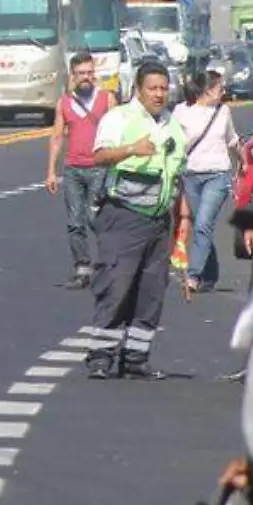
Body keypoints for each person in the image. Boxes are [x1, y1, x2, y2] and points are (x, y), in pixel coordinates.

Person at [83, 61, 196, 380]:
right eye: (153, 88)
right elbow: (100, 155)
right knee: (117, 285)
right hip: (123, 215)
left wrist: (183, 218)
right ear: (138, 89)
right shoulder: (119, 118)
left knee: (151, 291)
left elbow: (178, 177)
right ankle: (101, 357)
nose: (160, 94)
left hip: (160, 220)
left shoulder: (173, 126)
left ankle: (135, 357)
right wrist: (133, 148)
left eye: (164, 88)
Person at [46, 51, 112, 290]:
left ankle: (109, 265)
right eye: (81, 74)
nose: (86, 77)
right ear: (73, 76)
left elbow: (118, 131)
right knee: (75, 221)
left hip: (99, 167)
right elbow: (56, 137)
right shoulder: (64, 103)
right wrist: (51, 171)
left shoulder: (107, 99)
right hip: (73, 169)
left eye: (89, 73)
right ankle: (82, 268)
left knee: (96, 218)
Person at [174, 69, 243, 295]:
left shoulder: (223, 112)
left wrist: (244, 166)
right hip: (191, 174)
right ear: (207, 90)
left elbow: (232, 141)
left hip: (218, 175)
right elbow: (173, 143)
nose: (223, 92)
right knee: (202, 227)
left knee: (204, 222)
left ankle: (193, 275)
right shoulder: (182, 112)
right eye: (220, 88)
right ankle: (210, 274)